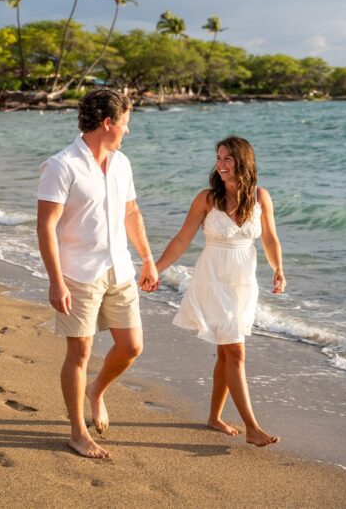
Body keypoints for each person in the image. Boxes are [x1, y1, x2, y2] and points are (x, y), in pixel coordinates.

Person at [36, 88, 159, 459]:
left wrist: (148, 259)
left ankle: (96, 391)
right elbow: (45, 226)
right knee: (80, 352)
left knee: (131, 345)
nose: (128, 131)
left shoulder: (122, 163)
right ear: (108, 123)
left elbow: (132, 212)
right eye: (126, 123)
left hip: (119, 267)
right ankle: (77, 432)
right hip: (78, 273)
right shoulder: (61, 166)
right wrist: (55, 280)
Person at [155, 136, 285, 447]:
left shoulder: (260, 197)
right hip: (211, 280)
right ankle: (252, 427)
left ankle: (214, 417)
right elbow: (182, 239)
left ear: (243, 161)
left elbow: (269, 238)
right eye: (218, 158)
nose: (221, 164)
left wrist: (279, 269)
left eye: (227, 158)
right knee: (235, 351)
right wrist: (155, 269)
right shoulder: (207, 199)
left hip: (243, 284)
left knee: (225, 352)